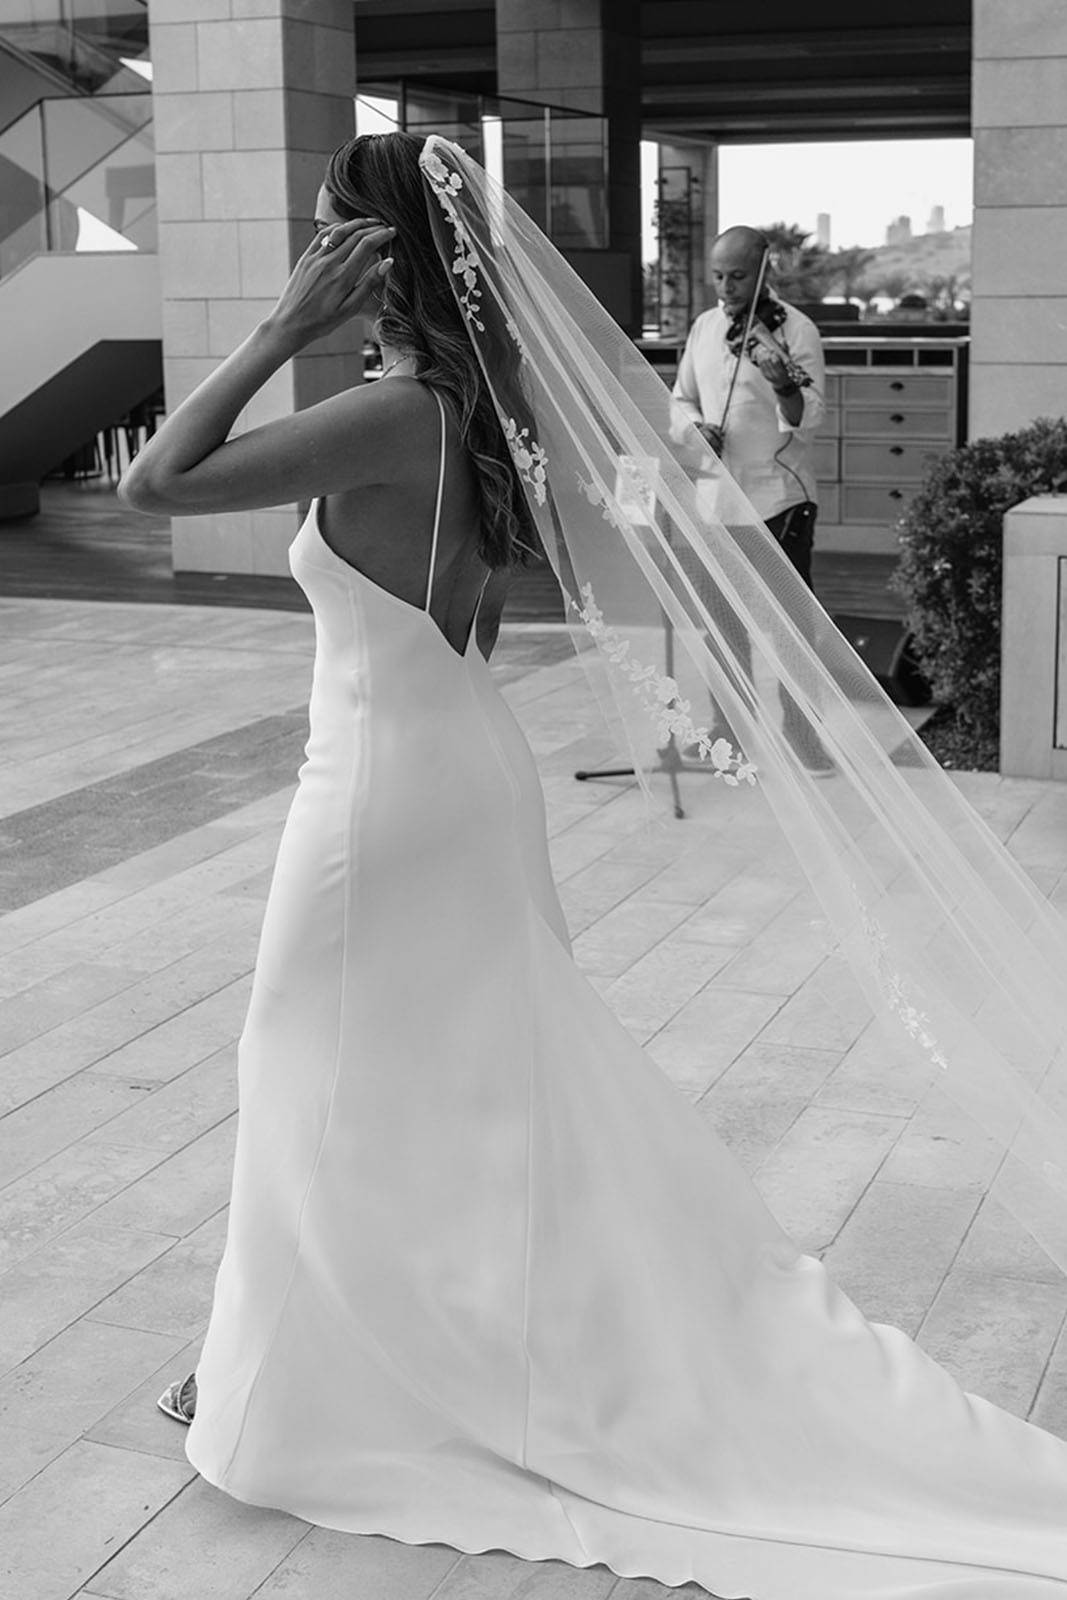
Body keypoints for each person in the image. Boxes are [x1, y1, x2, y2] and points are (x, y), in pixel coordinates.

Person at [120, 133, 1067, 1599]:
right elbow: (465, 623)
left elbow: (153, 487)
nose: (306, 260)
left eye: (327, 241)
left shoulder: (387, 413)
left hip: (378, 787)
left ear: (381, 259)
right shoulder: (474, 410)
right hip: (455, 762)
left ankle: (297, 1387)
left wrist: (274, 335)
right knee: (454, 1077)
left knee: (306, 1066)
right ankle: (291, 1359)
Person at [672, 227, 829, 768]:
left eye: (737, 275)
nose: (726, 286)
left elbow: (812, 418)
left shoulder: (796, 330)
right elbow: (682, 398)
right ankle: (729, 732)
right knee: (721, 624)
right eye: (717, 275)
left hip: (779, 499)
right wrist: (696, 432)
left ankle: (804, 736)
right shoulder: (706, 327)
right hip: (718, 503)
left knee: (790, 630)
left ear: (766, 270)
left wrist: (783, 384)